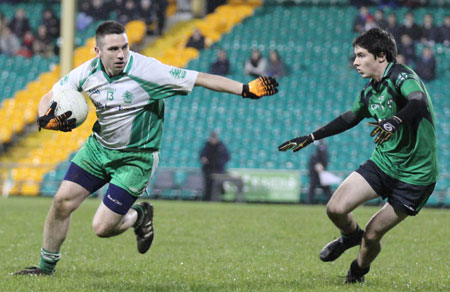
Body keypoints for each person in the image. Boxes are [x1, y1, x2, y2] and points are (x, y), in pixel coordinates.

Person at [13, 20, 278, 276]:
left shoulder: (149, 71)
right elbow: (51, 95)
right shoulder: (87, 71)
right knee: (61, 202)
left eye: (125, 47)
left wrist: (245, 89)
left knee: (102, 228)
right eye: (113, 49)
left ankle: (138, 216)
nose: (121, 54)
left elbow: (200, 78)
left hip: (135, 159)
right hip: (99, 149)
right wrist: (43, 118)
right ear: (97, 51)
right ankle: (45, 268)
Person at [279, 28, 437, 284]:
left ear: (381, 56)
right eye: (356, 56)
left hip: (416, 174)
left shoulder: (402, 76)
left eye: (361, 55)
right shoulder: (370, 91)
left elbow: (417, 101)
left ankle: (357, 272)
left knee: (373, 235)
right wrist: (311, 136)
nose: (355, 62)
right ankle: (350, 236)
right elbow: (350, 118)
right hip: (384, 163)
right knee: (335, 208)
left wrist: (395, 121)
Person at [199, 131, 230, 201]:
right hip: (208, 170)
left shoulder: (221, 147)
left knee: (218, 185)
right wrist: (203, 158)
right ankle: (207, 199)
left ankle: (218, 198)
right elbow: (201, 156)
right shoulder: (207, 146)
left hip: (218, 169)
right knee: (208, 186)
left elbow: (227, 157)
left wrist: (219, 162)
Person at [306, 140, 332, 205]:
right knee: (313, 186)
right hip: (315, 171)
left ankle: (332, 201)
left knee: (325, 187)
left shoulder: (322, 144)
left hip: (322, 170)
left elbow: (325, 156)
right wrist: (316, 164)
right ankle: (308, 202)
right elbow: (313, 156)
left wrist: (323, 166)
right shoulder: (314, 145)